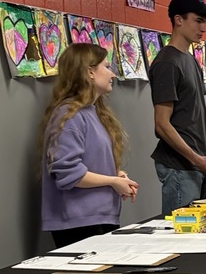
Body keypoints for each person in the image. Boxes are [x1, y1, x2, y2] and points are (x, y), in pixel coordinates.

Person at [39, 43, 139, 247]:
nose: (112, 74)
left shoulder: (93, 112)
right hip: (78, 223)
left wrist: (116, 174)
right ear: (90, 72)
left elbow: (91, 161)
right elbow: (68, 173)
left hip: (99, 218)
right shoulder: (70, 115)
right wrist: (111, 181)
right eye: (107, 66)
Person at [149, 0, 206, 215]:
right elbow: (162, 124)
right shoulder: (167, 63)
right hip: (180, 167)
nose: (204, 28)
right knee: (181, 237)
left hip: (197, 165)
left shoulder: (190, 61)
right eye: (198, 21)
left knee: (197, 235)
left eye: (205, 22)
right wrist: (197, 159)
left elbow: (193, 121)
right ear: (178, 20)